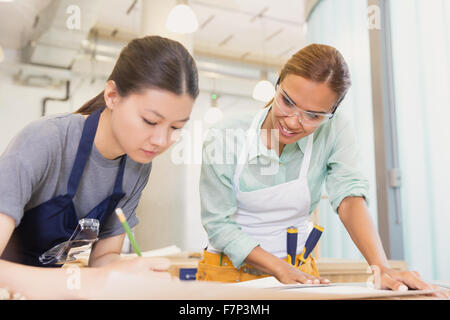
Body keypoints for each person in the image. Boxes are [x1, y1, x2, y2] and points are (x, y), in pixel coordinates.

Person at [197, 43, 444, 296]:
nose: (293, 122)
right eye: (287, 102)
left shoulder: (335, 131)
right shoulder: (226, 136)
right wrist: (278, 269)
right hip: (227, 275)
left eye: (313, 116)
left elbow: (349, 196)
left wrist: (380, 267)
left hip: (299, 274)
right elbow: (219, 224)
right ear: (277, 83)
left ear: (332, 113)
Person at [0, 35, 198, 299]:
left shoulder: (136, 167)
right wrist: (87, 279)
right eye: (150, 121)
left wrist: (131, 270)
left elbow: (103, 258)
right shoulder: (45, 140)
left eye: (176, 128)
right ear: (112, 96)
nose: (162, 141)